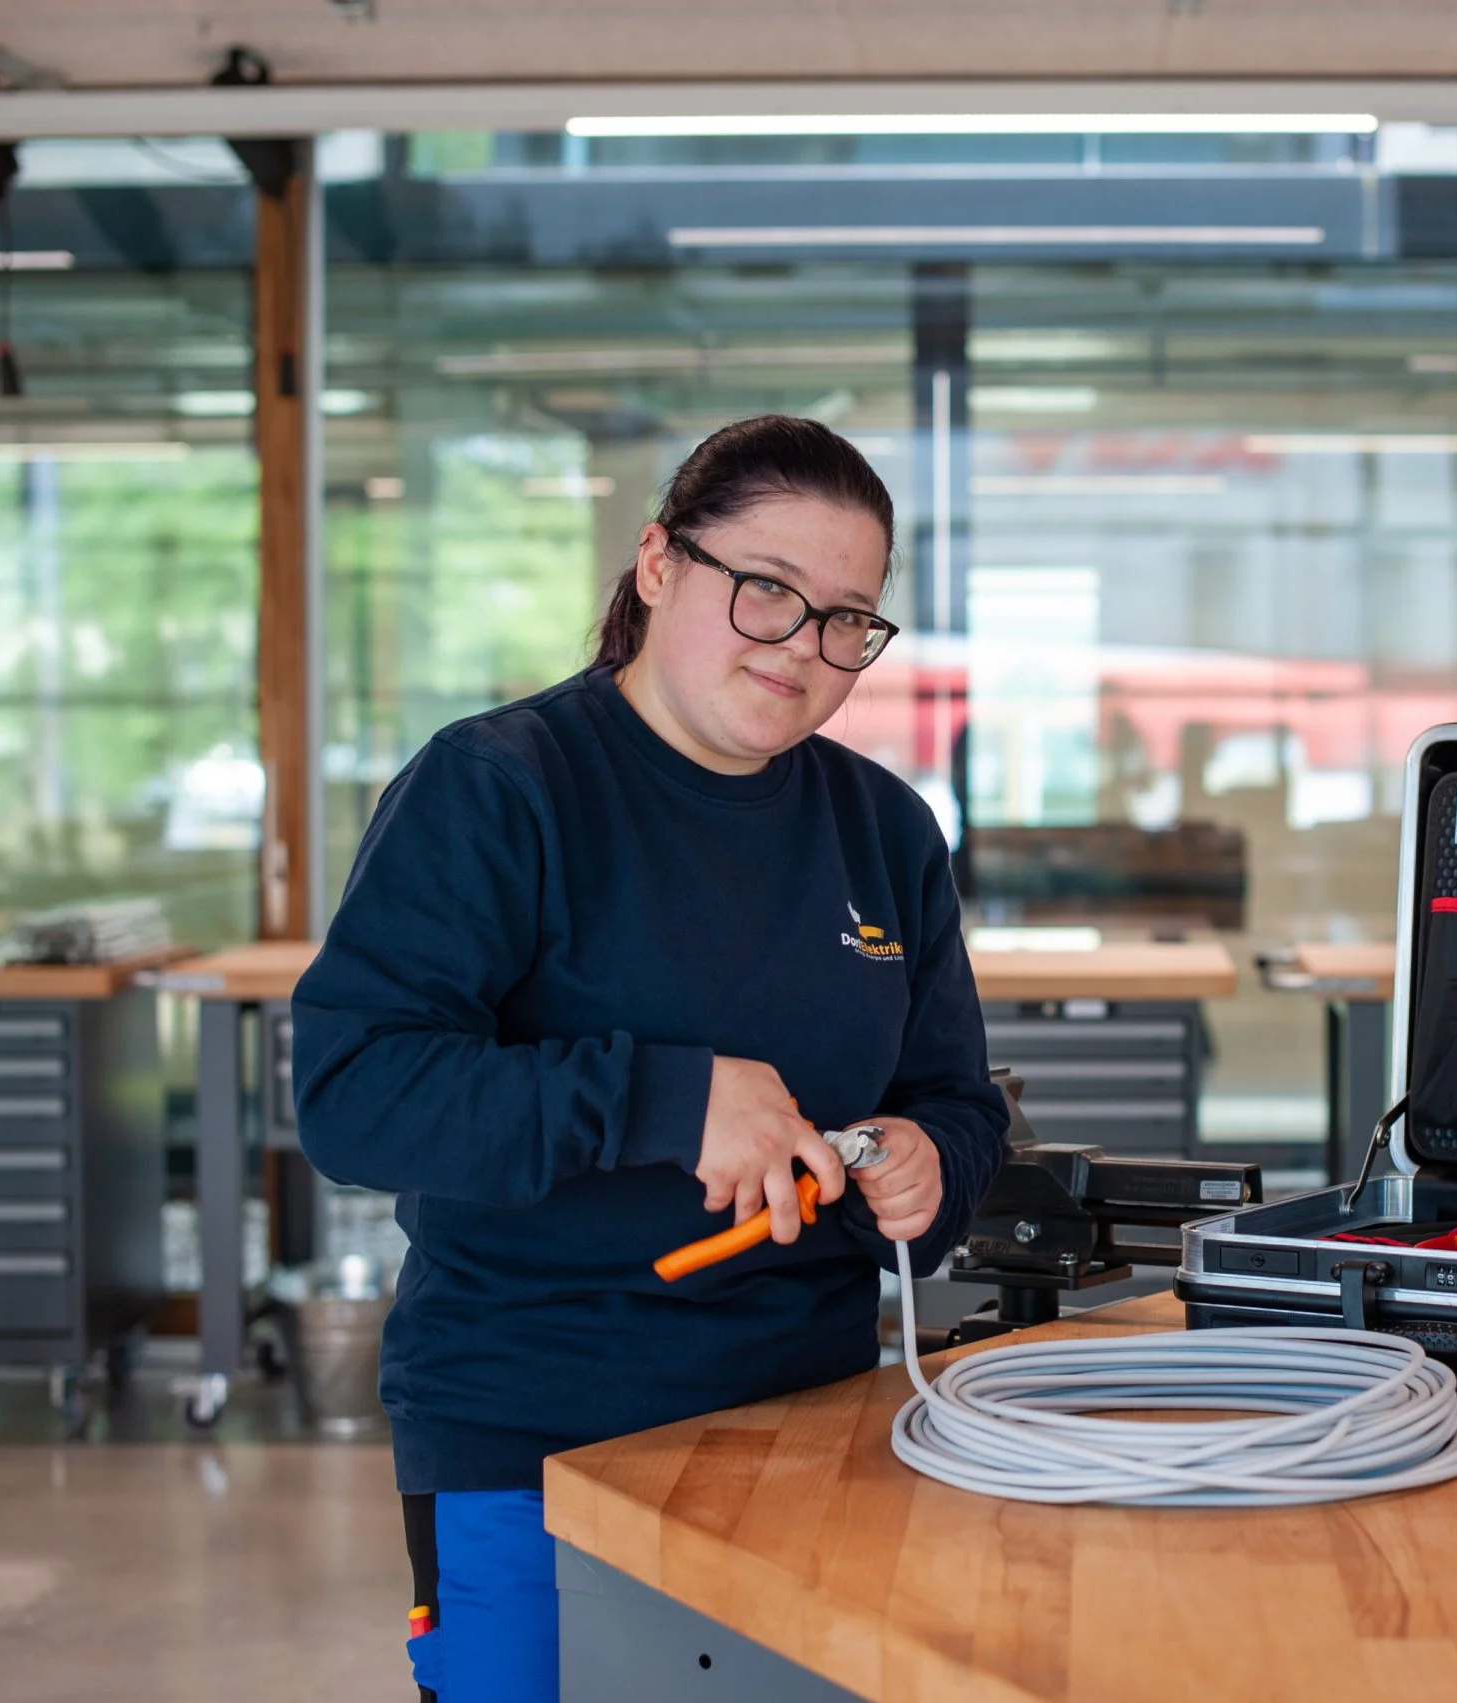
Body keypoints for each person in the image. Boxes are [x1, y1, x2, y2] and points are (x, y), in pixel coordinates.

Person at [293, 415, 1011, 1703]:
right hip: (534, 1437)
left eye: (848, 618)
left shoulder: (885, 833)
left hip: (810, 1427)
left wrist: (929, 1163)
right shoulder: (498, 789)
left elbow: (952, 1100)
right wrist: (666, 1099)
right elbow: (357, 1095)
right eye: (768, 592)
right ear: (658, 566)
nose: (805, 648)